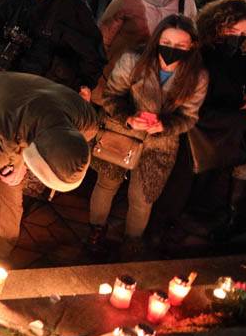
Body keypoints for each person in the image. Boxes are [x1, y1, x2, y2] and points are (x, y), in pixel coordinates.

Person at [0, 72, 97, 292]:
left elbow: (37, 137)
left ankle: (1, 254)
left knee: (12, 187)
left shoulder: (87, 122)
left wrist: (21, 163)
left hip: (23, 108)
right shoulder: (2, 132)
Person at [87, 15, 208, 255]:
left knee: (142, 198)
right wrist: (129, 118)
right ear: (157, 39)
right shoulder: (134, 59)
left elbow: (189, 117)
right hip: (122, 134)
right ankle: (95, 231)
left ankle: (132, 242)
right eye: (166, 42)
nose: (171, 50)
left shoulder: (196, 76)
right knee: (107, 183)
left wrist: (165, 125)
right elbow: (111, 96)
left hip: (159, 145)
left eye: (180, 46)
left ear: (191, 45)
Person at [152, 0, 246, 246]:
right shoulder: (201, 56)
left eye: (245, 33)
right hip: (192, 136)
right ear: (217, 25)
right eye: (232, 30)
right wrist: (244, 116)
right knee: (179, 188)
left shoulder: (236, 56)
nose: (237, 37)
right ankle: (162, 233)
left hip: (217, 139)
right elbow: (196, 109)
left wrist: (244, 98)